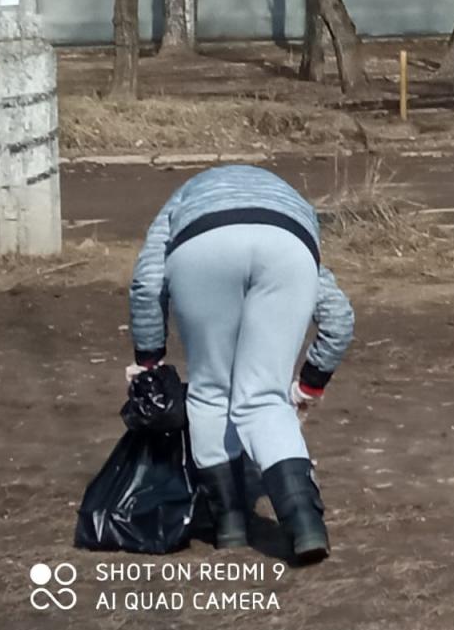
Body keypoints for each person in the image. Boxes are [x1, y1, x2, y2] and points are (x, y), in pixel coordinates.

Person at [126, 164, 355, 563]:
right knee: (265, 398)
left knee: (211, 392)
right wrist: (309, 385)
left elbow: (147, 283)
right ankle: (306, 526)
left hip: (201, 247)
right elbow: (339, 318)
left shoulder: (183, 198)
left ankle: (229, 526)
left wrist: (150, 361)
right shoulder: (293, 209)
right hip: (287, 249)